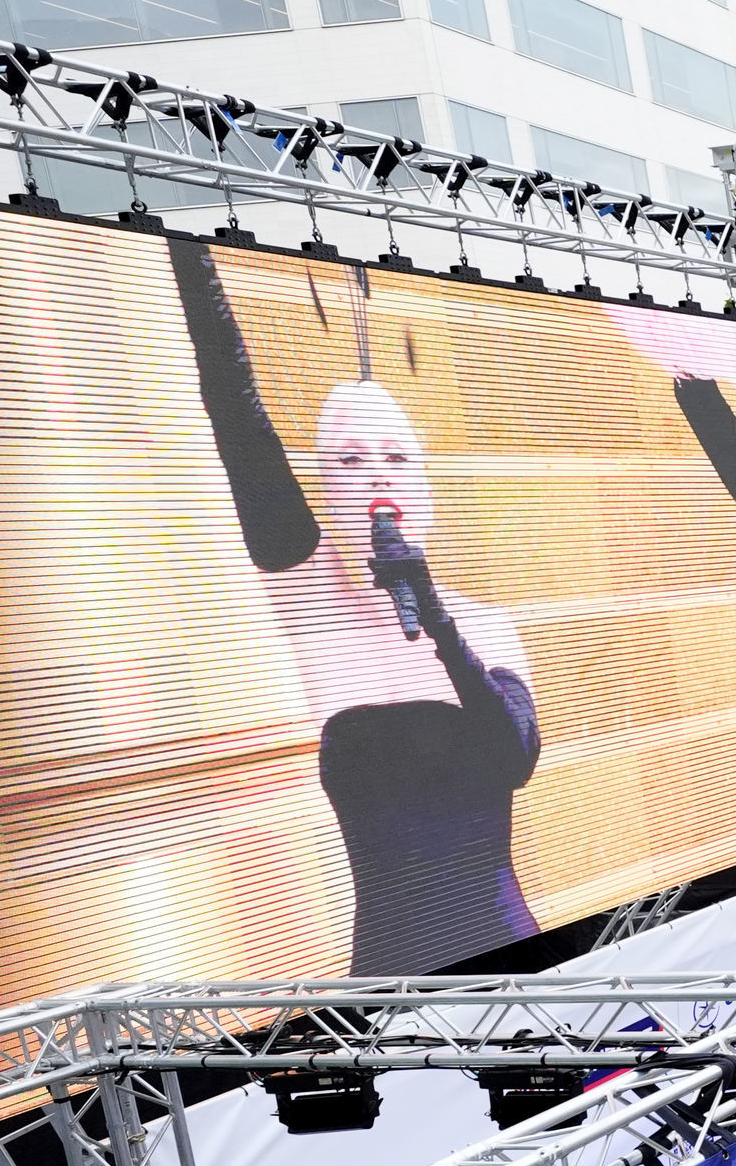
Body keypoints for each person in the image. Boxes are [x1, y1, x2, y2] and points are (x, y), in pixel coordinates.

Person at [192, 268, 544, 974]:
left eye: (396, 457)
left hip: (507, 949)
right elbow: (237, 415)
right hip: (389, 971)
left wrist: (437, 619)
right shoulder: (313, 599)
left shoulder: (488, 625)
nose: (378, 475)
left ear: (425, 483)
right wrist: (185, 249)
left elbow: (514, 757)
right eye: (351, 460)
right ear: (324, 485)